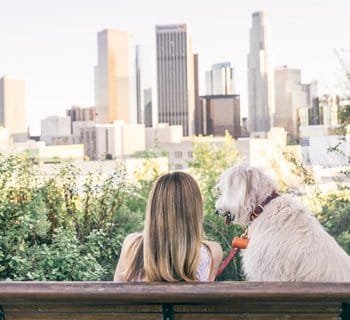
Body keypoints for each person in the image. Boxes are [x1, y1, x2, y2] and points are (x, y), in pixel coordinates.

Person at [114, 171, 223, 282]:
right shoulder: (212, 252)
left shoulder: (132, 245)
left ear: (154, 208)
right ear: (195, 210)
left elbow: (116, 293)